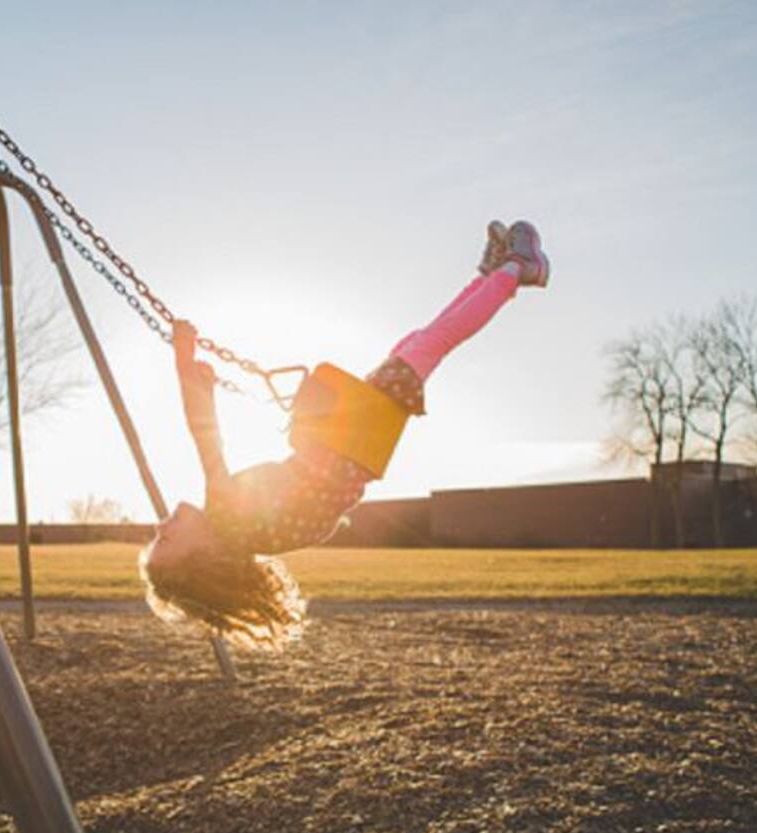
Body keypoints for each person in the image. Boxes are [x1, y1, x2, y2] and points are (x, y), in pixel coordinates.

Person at [139, 220, 550, 648]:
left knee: (417, 344)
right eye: (166, 538)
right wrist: (183, 363)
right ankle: (520, 269)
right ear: (204, 555)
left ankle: (491, 275)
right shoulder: (226, 518)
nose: (161, 523)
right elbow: (205, 437)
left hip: (350, 445)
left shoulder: (246, 534)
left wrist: (206, 387)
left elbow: (310, 507)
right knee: (431, 343)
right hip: (350, 437)